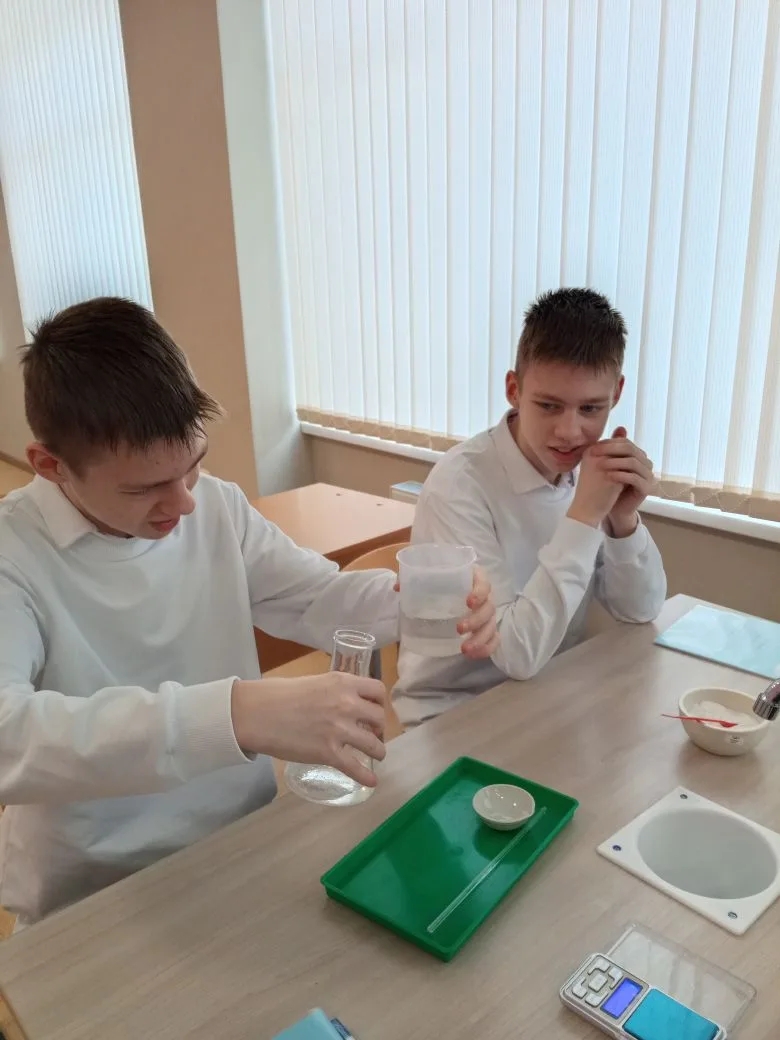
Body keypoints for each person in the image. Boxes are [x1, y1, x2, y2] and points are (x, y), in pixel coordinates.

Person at [0, 297, 498, 927]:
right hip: (98, 887)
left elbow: (316, 598)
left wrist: (431, 602)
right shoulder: (14, 553)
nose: (183, 504)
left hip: (243, 840)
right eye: (144, 488)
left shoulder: (215, 505)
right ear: (51, 466)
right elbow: (10, 734)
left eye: (193, 466)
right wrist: (234, 714)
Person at [393, 287, 667, 726]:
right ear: (514, 389)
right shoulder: (460, 485)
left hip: (549, 695)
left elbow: (641, 609)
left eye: (590, 408)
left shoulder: (586, 474)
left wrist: (622, 519)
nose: (570, 432)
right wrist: (584, 516)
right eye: (549, 406)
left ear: (616, 393)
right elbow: (515, 654)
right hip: (452, 713)